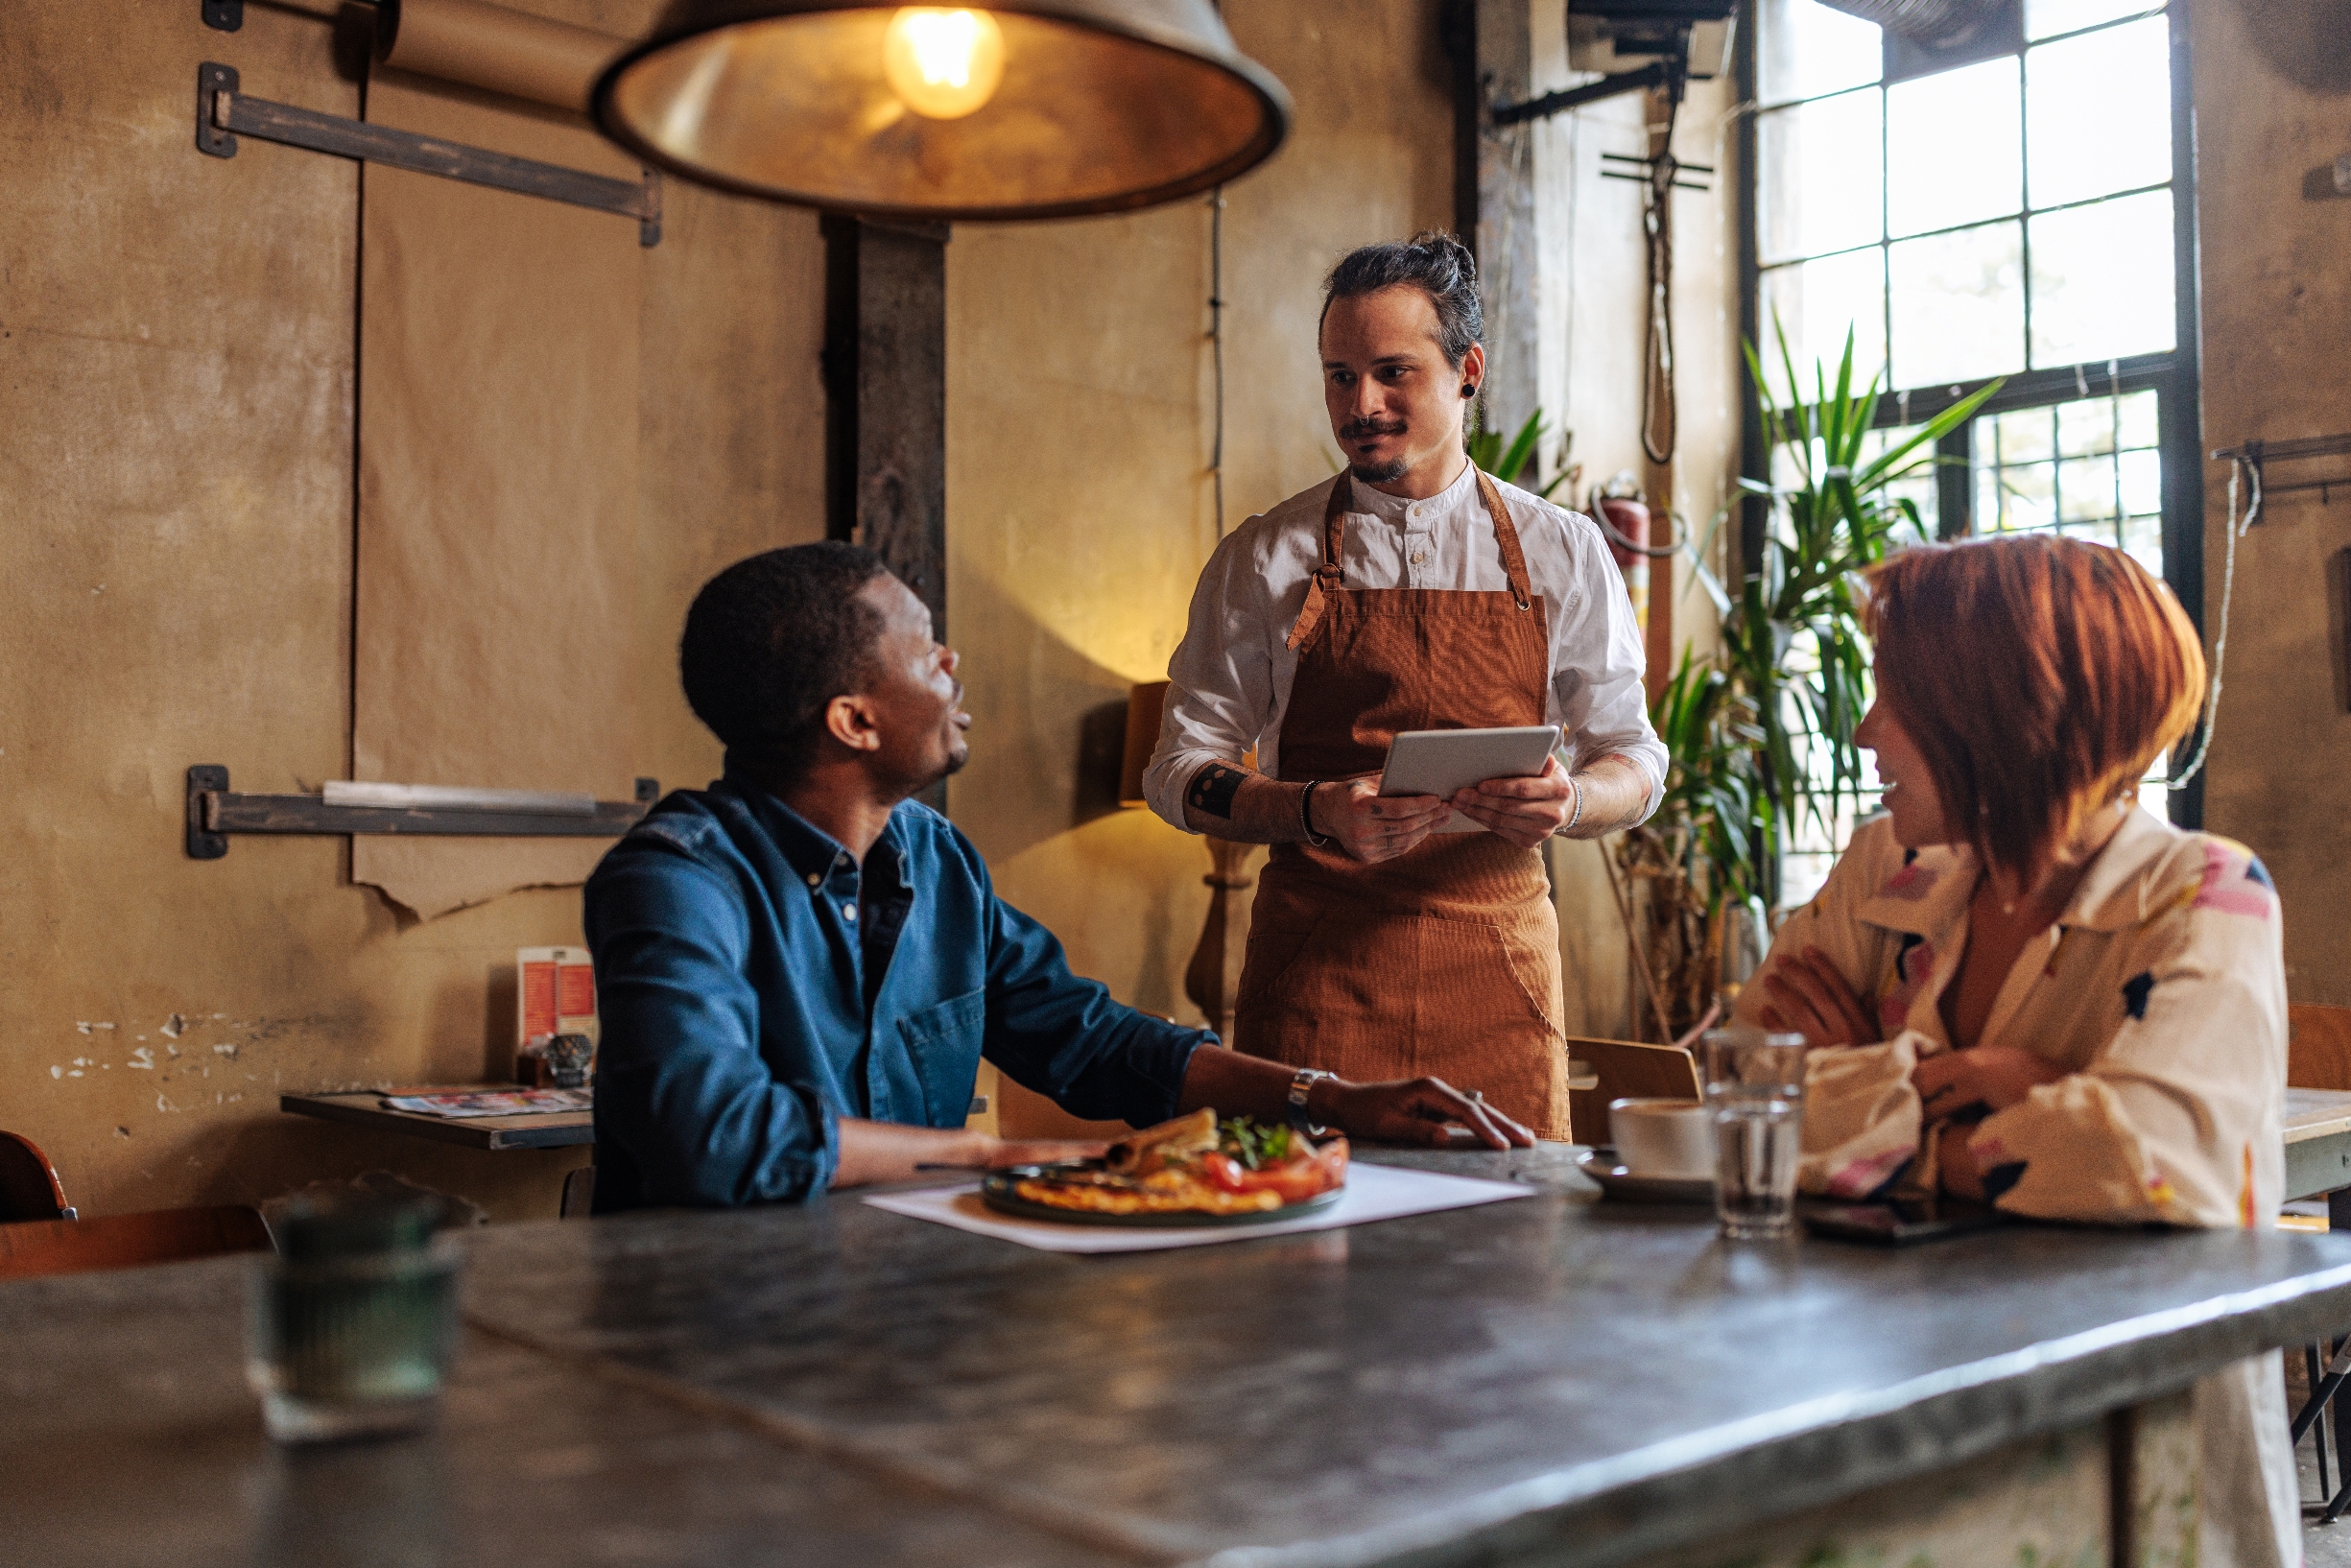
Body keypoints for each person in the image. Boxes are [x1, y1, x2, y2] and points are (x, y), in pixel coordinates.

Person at [583, 542, 1534, 1213]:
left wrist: (1326, 1097)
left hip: (906, 1315)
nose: (952, 661)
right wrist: (983, 1155)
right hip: (710, 1335)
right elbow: (712, 1139)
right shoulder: (675, 877)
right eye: (924, 648)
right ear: (853, 722)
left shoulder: (938, 860)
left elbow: (1090, 1039)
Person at [1732, 534, 2294, 1568]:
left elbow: (2153, 1158)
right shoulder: (1885, 866)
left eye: (1890, 701)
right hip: (1907, 1392)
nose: (1860, 732)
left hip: (2134, 1443)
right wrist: (1989, 1103)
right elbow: (1732, 1084)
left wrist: (1859, 1083)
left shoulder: (2203, 890)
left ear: (1992, 719)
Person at [1141, 232, 1668, 1141]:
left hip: (1500, 974)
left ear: (1467, 370)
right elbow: (1177, 769)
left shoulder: (1563, 550)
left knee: (1506, 1264)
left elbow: (1638, 758)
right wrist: (1311, 810)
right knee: (1306, 1267)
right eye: (1339, 376)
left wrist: (1573, 799)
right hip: (1317, 981)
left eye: (1392, 372)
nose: (1362, 403)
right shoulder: (1270, 554)